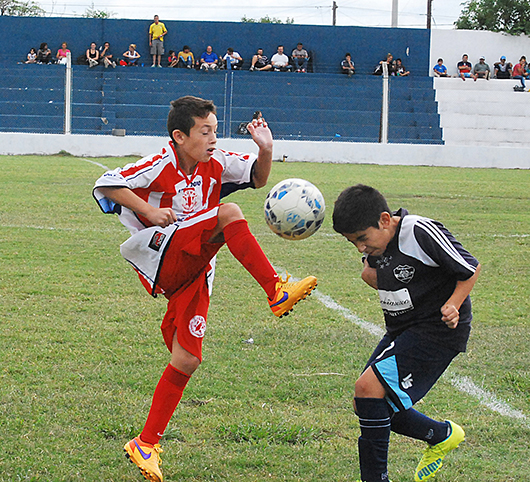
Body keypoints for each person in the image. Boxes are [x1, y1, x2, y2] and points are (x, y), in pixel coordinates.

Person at [93, 95, 317, 482]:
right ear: (179, 136)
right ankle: (275, 290)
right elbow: (107, 183)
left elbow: (258, 179)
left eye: (215, 130)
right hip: (161, 254)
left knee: (187, 359)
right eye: (205, 131)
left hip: (194, 269)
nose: (214, 138)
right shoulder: (160, 163)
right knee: (228, 213)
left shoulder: (218, 162)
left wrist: (266, 150)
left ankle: (145, 444)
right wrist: (147, 211)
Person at [332, 184, 480, 482]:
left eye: (362, 238)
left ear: (385, 220)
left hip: (438, 328)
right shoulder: (377, 245)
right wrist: (372, 273)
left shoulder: (419, 232)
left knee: (368, 389)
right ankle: (440, 435)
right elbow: (381, 274)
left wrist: (452, 305)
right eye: (353, 243)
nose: (360, 247)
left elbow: (470, 268)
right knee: (366, 402)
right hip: (403, 328)